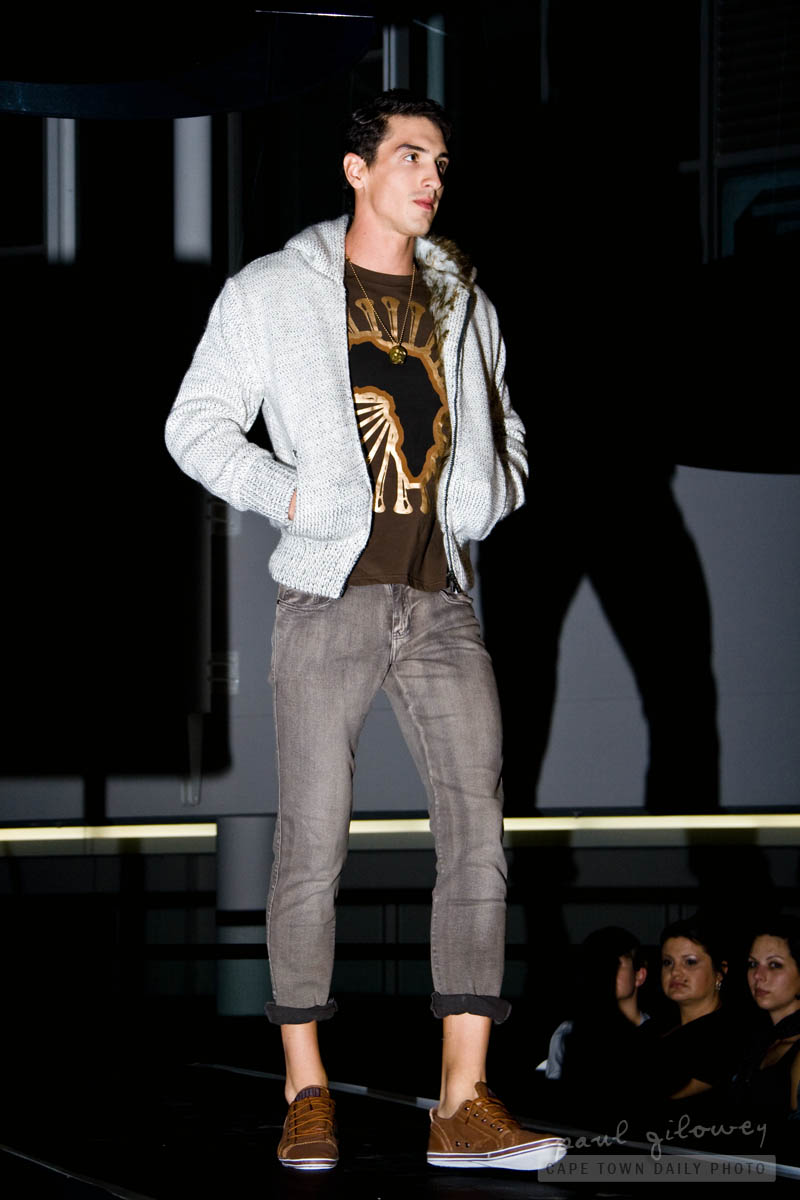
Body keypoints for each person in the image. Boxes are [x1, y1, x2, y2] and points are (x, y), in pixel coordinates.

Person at [165, 90, 566, 1174]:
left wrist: (493, 489)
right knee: (312, 840)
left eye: (440, 160)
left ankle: (462, 1101)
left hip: (440, 597)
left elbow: (504, 422)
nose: (431, 176)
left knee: (477, 831)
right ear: (356, 169)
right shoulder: (272, 291)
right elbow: (193, 426)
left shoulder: (463, 300)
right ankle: (306, 1089)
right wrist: (288, 495)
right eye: (409, 156)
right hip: (327, 594)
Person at [544, 926, 650, 1081]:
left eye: (615, 964)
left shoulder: (658, 1034)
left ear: (639, 975)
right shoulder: (568, 1032)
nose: (605, 973)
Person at [653, 916, 740, 1102]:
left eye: (690, 962)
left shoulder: (729, 1035)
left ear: (720, 971)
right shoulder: (655, 1026)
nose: (675, 972)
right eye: (668, 962)